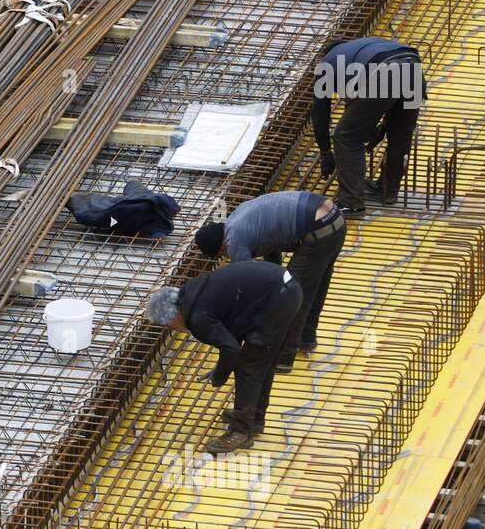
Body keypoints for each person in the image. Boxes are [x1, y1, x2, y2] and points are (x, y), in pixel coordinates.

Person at [145, 262, 302, 454]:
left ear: (173, 316)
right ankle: (254, 419)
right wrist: (222, 366)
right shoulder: (192, 294)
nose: (174, 329)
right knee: (262, 362)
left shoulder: (197, 316)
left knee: (249, 366)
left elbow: (231, 348)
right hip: (287, 290)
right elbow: (230, 331)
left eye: (169, 326)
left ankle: (240, 431)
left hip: (278, 300)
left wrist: (220, 376)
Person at [192, 190, 344, 370]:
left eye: (222, 254)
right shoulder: (238, 218)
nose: (227, 256)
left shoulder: (234, 241)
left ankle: (283, 358)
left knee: (294, 293)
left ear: (221, 245)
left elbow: (249, 283)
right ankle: (306, 337)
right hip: (335, 218)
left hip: (318, 228)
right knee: (315, 283)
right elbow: (272, 245)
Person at [312, 36, 425, 216]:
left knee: (346, 137)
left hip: (386, 71)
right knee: (400, 134)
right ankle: (388, 190)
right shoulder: (365, 47)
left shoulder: (328, 61)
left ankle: (351, 203)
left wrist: (325, 152)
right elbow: (376, 104)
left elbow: (320, 112)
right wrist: (382, 127)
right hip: (413, 70)